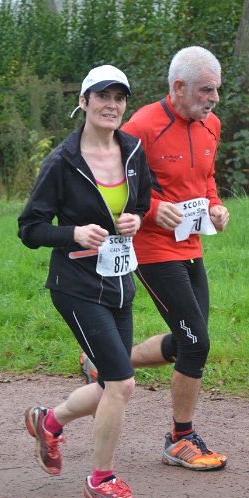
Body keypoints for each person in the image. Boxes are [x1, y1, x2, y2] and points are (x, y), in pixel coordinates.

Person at [80, 46, 230, 471]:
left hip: (191, 243)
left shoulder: (211, 125)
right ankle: (180, 439)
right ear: (179, 87)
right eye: (206, 90)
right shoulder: (142, 126)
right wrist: (151, 209)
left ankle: (102, 362)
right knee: (196, 342)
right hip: (151, 248)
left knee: (187, 340)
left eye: (217, 90)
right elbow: (112, 183)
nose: (214, 99)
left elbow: (206, 178)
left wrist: (216, 206)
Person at [18, 65, 152, 498]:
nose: (111, 105)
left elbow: (143, 201)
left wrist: (136, 218)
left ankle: (49, 421)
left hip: (120, 282)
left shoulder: (133, 151)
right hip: (76, 285)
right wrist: (72, 233)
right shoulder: (62, 161)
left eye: (119, 97)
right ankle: (100, 481)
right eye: (102, 96)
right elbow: (30, 228)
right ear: (84, 101)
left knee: (112, 382)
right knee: (122, 384)